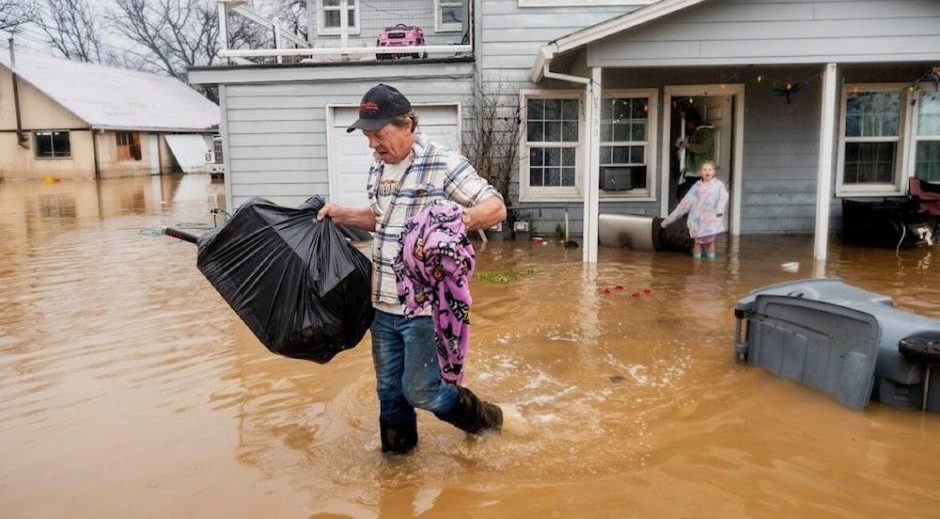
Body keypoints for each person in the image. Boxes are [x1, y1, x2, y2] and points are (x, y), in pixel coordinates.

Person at [316, 84, 507, 455]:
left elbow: (496, 208)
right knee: (389, 392)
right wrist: (342, 214)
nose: (372, 144)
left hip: (423, 309)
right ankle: (398, 472)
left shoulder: (443, 162)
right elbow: (382, 220)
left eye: (379, 134)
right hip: (382, 303)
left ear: (406, 125)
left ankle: (487, 420)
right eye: (368, 135)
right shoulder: (379, 167)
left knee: (422, 390)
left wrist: (452, 221)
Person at [661, 160, 728, 261]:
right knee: (697, 243)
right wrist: (667, 221)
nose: (707, 172)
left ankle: (711, 266)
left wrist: (720, 210)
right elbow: (684, 204)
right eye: (704, 170)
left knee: (711, 242)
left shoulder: (719, 186)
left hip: (711, 221)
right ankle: (697, 266)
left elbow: (723, 197)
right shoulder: (696, 187)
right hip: (698, 221)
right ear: (700, 172)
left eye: (710, 169)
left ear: (714, 172)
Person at [676, 108, 715, 202]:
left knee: (690, 197)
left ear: (693, 122)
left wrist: (689, 145)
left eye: (688, 123)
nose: (687, 126)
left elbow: (703, 148)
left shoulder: (705, 133)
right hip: (692, 171)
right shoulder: (696, 133)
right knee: (682, 194)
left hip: (699, 172)